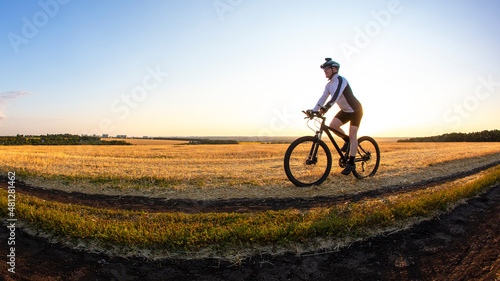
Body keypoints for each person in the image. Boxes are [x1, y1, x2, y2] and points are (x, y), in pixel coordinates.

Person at [309, 58, 363, 176]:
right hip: (345, 111)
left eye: (326, 69)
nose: (325, 71)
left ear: (334, 69)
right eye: (324, 69)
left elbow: (336, 95)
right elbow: (323, 98)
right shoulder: (329, 85)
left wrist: (326, 108)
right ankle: (347, 141)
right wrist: (313, 111)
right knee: (333, 126)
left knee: (353, 134)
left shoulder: (341, 80)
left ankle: (351, 163)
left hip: (356, 110)